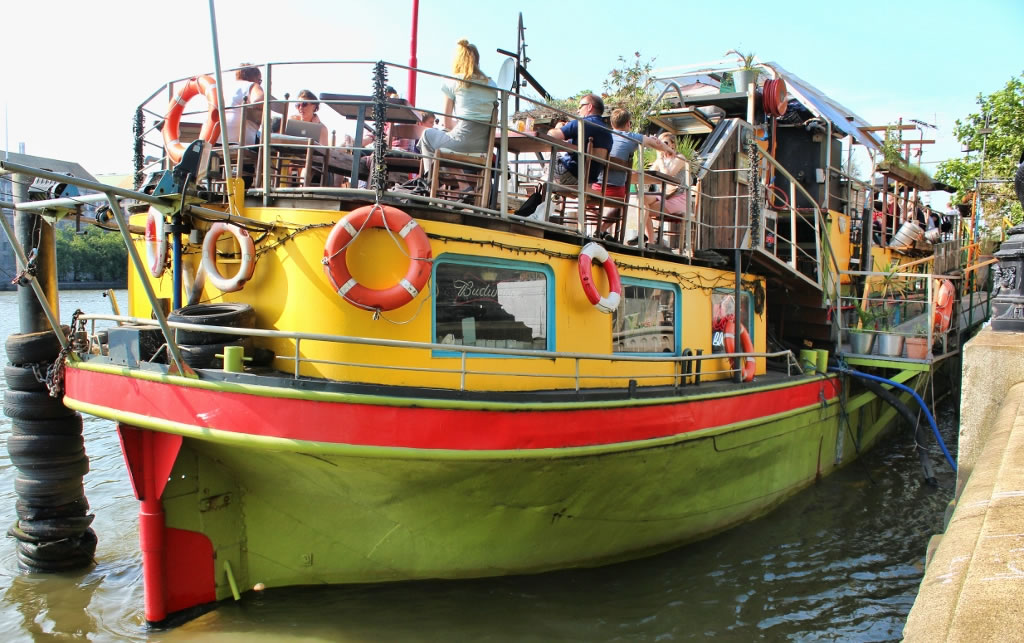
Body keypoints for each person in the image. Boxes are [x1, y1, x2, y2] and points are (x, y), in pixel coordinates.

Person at [419, 40, 498, 164]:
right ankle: (463, 185)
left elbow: (447, 123)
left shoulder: (453, 81)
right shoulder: (492, 84)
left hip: (460, 144)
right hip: (483, 148)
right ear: (477, 60)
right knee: (445, 147)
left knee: (427, 135)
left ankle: (430, 181)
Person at [547, 93, 613, 186]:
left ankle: (545, 188)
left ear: (589, 106)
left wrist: (557, 128)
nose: (578, 111)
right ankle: (546, 186)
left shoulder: (582, 123)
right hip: (589, 181)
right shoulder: (608, 132)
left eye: (580, 106)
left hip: (570, 175)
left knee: (548, 149)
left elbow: (551, 135)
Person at [636, 132, 689, 248]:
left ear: (673, 145)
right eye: (659, 143)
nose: (661, 146)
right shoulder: (661, 159)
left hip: (676, 197)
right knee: (642, 200)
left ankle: (648, 240)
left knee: (645, 210)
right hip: (662, 195)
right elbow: (649, 174)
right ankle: (646, 238)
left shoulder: (679, 158)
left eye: (665, 143)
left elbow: (667, 174)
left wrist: (659, 159)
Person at [222, 63, 265, 146]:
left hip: (216, 139)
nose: (259, 83)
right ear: (254, 77)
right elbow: (259, 100)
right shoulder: (252, 86)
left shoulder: (223, 88)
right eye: (259, 80)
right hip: (239, 141)